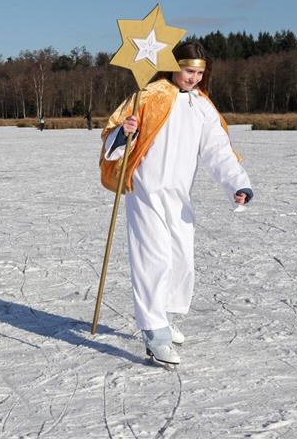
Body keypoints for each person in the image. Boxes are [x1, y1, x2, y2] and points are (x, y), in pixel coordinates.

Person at [100, 41, 253, 368]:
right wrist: (123, 133)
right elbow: (113, 141)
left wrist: (237, 183)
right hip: (146, 191)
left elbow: (218, 152)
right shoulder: (148, 95)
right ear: (172, 66)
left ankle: (165, 317)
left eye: (199, 73)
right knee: (152, 258)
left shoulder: (202, 105)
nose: (194, 78)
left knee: (180, 258)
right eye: (188, 71)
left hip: (178, 196)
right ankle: (155, 333)